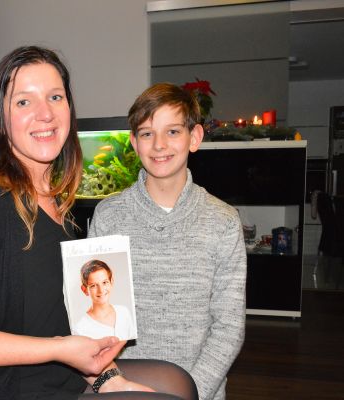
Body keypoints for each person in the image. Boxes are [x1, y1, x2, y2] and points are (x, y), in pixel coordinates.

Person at [0, 47, 198, 400]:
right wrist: (57, 349)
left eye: (55, 97)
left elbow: (59, 317)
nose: (45, 114)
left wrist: (108, 378)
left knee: (178, 382)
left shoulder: (58, 204)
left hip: (54, 377)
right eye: (24, 102)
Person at [87, 82, 247, 400]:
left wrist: (190, 393)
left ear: (195, 137)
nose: (159, 145)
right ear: (134, 143)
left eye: (172, 131)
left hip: (198, 392)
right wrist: (113, 384)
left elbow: (229, 326)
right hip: (123, 389)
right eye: (147, 133)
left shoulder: (224, 221)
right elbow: (94, 319)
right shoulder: (108, 216)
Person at [74, 259, 136, 340]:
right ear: (85, 290)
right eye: (93, 286)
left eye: (104, 282)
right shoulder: (80, 330)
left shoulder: (124, 312)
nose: (101, 290)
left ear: (111, 282)